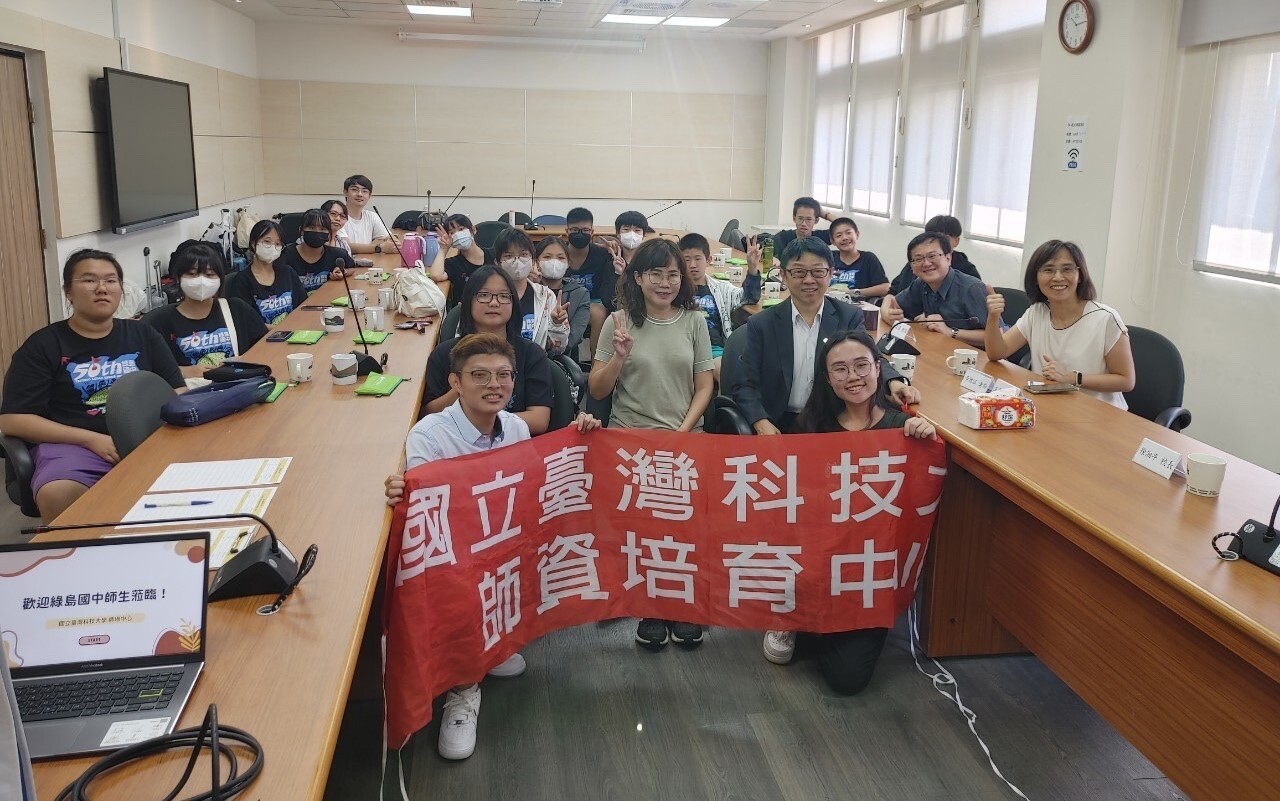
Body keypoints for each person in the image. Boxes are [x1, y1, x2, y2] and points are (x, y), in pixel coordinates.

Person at [383, 333, 602, 761]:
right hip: (457, 553)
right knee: (460, 583)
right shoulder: (429, 435)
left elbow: (534, 484)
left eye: (503, 375)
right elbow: (430, 506)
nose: (494, 384)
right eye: (479, 375)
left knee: (515, 568)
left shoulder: (516, 427)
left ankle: (491, 647)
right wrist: (402, 490)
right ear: (456, 382)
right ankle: (463, 690)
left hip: (500, 540)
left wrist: (580, 434)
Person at [759, 330, 938, 688]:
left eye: (861, 366)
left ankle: (818, 625)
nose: (853, 376)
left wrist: (926, 436)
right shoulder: (811, 429)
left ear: (878, 368)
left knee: (847, 680)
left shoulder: (900, 428)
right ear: (827, 378)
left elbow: (920, 492)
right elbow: (792, 504)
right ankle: (791, 613)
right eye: (840, 369)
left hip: (867, 571)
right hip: (817, 559)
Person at [589, 239, 714, 652]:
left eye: (673, 274)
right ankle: (651, 607)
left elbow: (704, 385)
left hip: (684, 441)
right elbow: (597, 387)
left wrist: (683, 433)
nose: (665, 282)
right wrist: (620, 358)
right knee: (643, 533)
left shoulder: (694, 322)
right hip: (631, 444)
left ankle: (682, 606)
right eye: (655, 274)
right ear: (637, 277)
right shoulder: (619, 322)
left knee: (682, 530)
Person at [0, 249, 184, 521]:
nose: (102, 288)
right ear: (68, 291)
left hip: (145, 439)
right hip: (74, 447)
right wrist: (91, 439)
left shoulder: (142, 333)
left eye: (111, 280)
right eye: (89, 280)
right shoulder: (43, 346)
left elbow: (176, 390)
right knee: (58, 492)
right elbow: (13, 420)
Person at [733, 237, 918, 435]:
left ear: (830, 274)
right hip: (778, 423)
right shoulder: (762, 324)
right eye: (798, 272)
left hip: (833, 421)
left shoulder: (848, 316)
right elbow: (745, 384)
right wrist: (760, 422)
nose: (809, 280)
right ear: (784, 277)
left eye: (818, 271)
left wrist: (894, 382)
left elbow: (871, 357)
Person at [985, 240, 1135, 408]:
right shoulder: (1037, 312)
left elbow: (1126, 380)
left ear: (1080, 276)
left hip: (1099, 415)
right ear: (1036, 277)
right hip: (1052, 408)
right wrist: (993, 317)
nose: (1058, 277)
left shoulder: (1106, 319)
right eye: (1048, 270)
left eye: (1067, 269)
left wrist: (1072, 378)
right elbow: (997, 352)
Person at [422, 267, 555, 435]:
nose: (494, 303)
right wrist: (463, 386)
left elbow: (539, 420)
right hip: (456, 446)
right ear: (468, 301)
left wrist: (486, 421)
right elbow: (428, 415)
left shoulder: (531, 353)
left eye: (503, 296)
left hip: (514, 447)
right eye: (484, 295)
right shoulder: (444, 353)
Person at [143, 242, 267, 377]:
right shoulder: (161, 322)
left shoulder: (237, 309)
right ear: (178, 278)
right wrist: (183, 372)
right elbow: (148, 371)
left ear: (220, 279)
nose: (201, 281)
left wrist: (243, 362)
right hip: (191, 393)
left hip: (237, 385)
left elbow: (266, 347)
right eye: (192, 274)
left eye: (209, 274)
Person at [677, 232, 762, 381]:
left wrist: (752, 268)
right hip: (684, 346)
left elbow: (749, 298)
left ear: (709, 260)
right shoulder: (674, 289)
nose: (692, 265)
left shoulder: (719, 288)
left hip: (713, 348)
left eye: (698, 259)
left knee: (731, 374)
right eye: (687, 260)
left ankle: (723, 404)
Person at [880, 232, 989, 348]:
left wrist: (951, 332)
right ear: (912, 268)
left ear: (948, 258)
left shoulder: (971, 288)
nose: (926, 263)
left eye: (932, 256)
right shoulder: (921, 284)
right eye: (918, 259)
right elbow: (891, 299)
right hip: (941, 350)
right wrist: (888, 315)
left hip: (977, 358)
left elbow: (998, 336)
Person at [489, 227, 570, 353]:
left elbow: (558, 349)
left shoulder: (546, 296)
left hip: (533, 366)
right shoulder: (484, 296)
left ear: (533, 261)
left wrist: (557, 325)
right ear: (497, 262)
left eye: (523, 255)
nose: (517, 261)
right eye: (509, 256)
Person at [563, 206, 624, 356]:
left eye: (585, 230)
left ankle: (596, 364)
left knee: (598, 313)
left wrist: (615, 251)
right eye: (574, 230)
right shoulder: (559, 254)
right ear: (566, 232)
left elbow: (617, 272)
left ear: (592, 233)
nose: (580, 234)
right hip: (564, 301)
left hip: (593, 302)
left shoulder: (602, 254)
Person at [225, 219, 310, 325]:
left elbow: (303, 307)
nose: (273, 247)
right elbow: (246, 324)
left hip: (294, 333)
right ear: (253, 243)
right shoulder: (242, 281)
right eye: (267, 241)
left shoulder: (288, 273)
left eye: (278, 244)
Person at [888, 215, 981, 295]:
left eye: (945, 238)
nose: (937, 243)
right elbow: (894, 291)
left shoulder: (967, 272)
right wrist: (887, 304)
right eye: (931, 238)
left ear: (956, 241)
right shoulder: (917, 263)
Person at [533, 236, 590, 356]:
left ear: (568, 263)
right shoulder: (529, 289)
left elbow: (575, 336)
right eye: (547, 257)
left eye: (560, 258)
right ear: (536, 262)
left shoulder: (580, 293)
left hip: (563, 359)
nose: (554, 262)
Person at [281, 208, 349, 292]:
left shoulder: (337, 254)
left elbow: (353, 269)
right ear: (301, 230)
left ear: (329, 233)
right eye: (311, 228)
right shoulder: (285, 255)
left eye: (322, 229)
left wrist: (343, 272)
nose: (317, 232)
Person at [428, 213, 487, 308]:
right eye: (452, 233)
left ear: (473, 230)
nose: (458, 234)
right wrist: (443, 249)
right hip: (464, 313)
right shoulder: (454, 263)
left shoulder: (493, 256)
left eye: (461, 229)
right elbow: (436, 275)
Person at [828, 217, 889, 299]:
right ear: (832, 241)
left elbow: (885, 287)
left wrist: (854, 292)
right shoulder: (829, 257)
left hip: (858, 307)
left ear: (857, 235)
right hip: (830, 304)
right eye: (839, 235)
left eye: (848, 233)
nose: (845, 238)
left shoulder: (868, 258)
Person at [769, 197, 832, 267]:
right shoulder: (783, 237)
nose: (804, 224)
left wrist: (825, 215)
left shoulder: (820, 238)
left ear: (816, 220)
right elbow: (759, 251)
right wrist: (771, 258)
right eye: (800, 218)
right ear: (794, 219)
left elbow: (844, 227)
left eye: (809, 219)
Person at [339, 174, 390, 254]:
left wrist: (368, 247)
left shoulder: (371, 216)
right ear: (345, 192)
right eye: (355, 190)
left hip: (367, 261)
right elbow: (347, 246)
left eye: (364, 191)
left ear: (369, 196)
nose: (360, 194)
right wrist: (378, 247)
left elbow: (388, 239)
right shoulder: (338, 217)